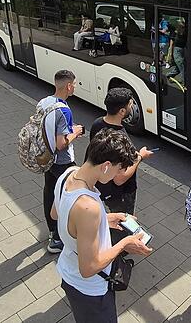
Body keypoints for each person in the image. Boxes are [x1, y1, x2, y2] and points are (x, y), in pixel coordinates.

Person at [50, 129, 152, 323]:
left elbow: (57, 213)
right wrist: (124, 245)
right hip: (90, 289)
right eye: (118, 169)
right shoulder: (88, 207)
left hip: (68, 271)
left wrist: (106, 218)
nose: (118, 175)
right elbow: (88, 268)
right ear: (106, 166)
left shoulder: (68, 173)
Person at [38, 70, 85, 253]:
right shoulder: (64, 110)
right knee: (67, 197)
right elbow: (61, 143)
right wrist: (75, 132)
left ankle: (52, 231)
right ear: (68, 86)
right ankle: (59, 238)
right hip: (62, 161)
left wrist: (68, 131)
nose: (75, 87)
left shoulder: (44, 102)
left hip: (46, 157)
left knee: (49, 191)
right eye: (74, 84)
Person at [87, 87, 153, 215]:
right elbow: (120, 178)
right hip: (120, 193)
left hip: (102, 186)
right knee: (123, 221)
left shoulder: (97, 124)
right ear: (122, 111)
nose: (132, 105)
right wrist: (140, 157)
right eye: (130, 103)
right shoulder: (120, 139)